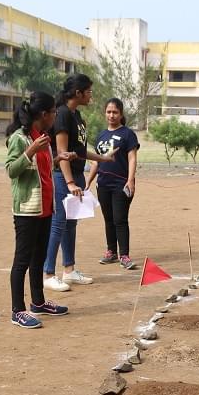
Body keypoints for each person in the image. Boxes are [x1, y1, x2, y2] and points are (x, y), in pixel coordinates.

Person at [5, 91, 75, 329]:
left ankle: (38, 302)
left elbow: (39, 169)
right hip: (26, 209)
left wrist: (58, 158)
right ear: (44, 114)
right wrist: (31, 150)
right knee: (22, 260)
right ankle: (17, 310)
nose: (56, 116)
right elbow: (12, 170)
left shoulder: (43, 137)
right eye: (54, 112)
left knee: (39, 258)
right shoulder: (20, 138)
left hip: (45, 208)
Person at [43, 74, 117, 291]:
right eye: (89, 91)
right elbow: (63, 153)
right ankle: (48, 273)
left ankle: (69, 270)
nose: (91, 95)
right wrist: (69, 183)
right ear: (78, 93)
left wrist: (103, 159)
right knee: (58, 224)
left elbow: (80, 152)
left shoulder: (76, 116)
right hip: (62, 176)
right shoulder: (63, 114)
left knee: (71, 223)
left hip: (75, 175)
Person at [86, 98, 140, 271]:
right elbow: (96, 161)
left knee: (120, 219)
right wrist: (88, 181)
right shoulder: (101, 135)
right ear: (105, 113)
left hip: (121, 184)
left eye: (115, 112)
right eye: (108, 112)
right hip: (103, 184)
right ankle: (111, 252)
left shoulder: (128, 134)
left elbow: (132, 158)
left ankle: (124, 255)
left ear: (121, 114)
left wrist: (130, 179)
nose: (111, 115)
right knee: (108, 219)